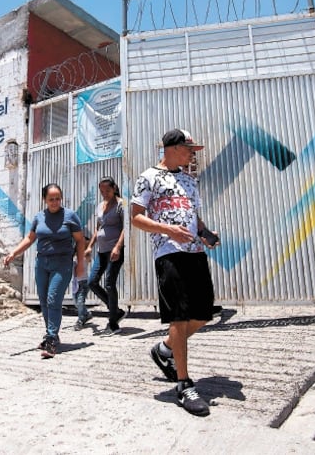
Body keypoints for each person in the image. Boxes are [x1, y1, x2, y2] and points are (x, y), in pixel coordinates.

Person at [131, 129, 219, 417]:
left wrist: (205, 233)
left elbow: (194, 216)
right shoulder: (148, 177)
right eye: (189, 149)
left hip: (195, 252)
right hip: (168, 252)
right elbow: (136, 217)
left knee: (203, 313)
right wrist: (167, 229)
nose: (192, 154)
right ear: (172, 148)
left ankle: (165, 348)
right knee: (178, 316)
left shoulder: (190, 180)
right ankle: (184, 385)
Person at [4, 183, 87, 359]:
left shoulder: (70, 216)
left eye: (58, 198)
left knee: (53, 299)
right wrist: (14, 253)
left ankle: (51, 339)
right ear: (44, 200)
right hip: (42, 263)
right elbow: (30, 238)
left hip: (62, 263)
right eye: (51, 199)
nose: (55, 202)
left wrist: (80, 263)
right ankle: (51, 334)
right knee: (44, 301)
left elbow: (80, 240)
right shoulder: (39, 217)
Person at [78, 176, 127, 332]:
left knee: (109, 283)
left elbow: (126, 228)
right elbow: (98, 228)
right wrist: (90, 247)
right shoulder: (100, 206)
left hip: (115, 250)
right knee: (92, 282)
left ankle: (113, 324)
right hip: (101, 251)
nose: (105, 193)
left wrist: (118, 247)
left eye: (107, 190)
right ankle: (116, 311)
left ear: (114, 188)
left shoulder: (122, 204)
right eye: (102, 191)